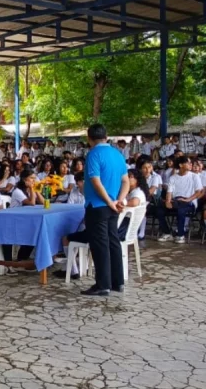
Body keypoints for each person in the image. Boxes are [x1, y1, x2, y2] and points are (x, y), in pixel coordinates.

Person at [81, 124, 129, 296]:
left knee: (100, 245)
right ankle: (118, 282)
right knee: (113, 242)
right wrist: (119, 200)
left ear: (89, 139)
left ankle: (103, 285)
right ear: (106, 136)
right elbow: (126, 181)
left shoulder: (93, 154)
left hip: (97, 206)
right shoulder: (117, 154)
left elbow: (95, 181)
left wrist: (109, 202)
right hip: (114, 206)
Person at [1, 170, 43, 274]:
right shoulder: (18, 191)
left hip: (24, 220)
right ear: (25, 180)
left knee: (36, 233)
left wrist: (36, 190)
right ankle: (17, 261)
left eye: (34, 178)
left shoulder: (30, 189)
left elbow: (43, 202)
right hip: (13, 220)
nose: (34, 180)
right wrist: (32, 188)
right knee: (33, 233)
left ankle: (22, 258)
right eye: (31, 178)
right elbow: (32, 203)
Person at [156, 156, 204, 244]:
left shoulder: (194, 176)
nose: (191, 165)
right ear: (181, 165)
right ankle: (167, 232)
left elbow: (198, 192)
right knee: (159, 209)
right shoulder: (173, 177)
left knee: (181, 210)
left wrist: (188, 199)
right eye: (188, 163)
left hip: (189, 202)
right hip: (176, 201)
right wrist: (167, 201)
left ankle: (180, 235)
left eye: (191, 163)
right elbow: (169, 192)